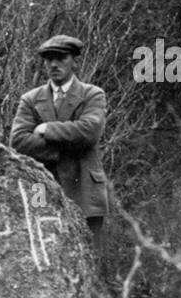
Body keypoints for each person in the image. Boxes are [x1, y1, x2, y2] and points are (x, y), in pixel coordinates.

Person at [10, 34, 109, 249]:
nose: (54, 64)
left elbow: (89, 132)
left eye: (61, 58)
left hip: (83, 185)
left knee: (89, 255)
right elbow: (18, 141)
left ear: (74, 61)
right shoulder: (31, 99)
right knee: (44, 253)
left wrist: (46, 129)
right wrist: (66, 145)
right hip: (41, 186)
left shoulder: (92, 95)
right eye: (49, 59)